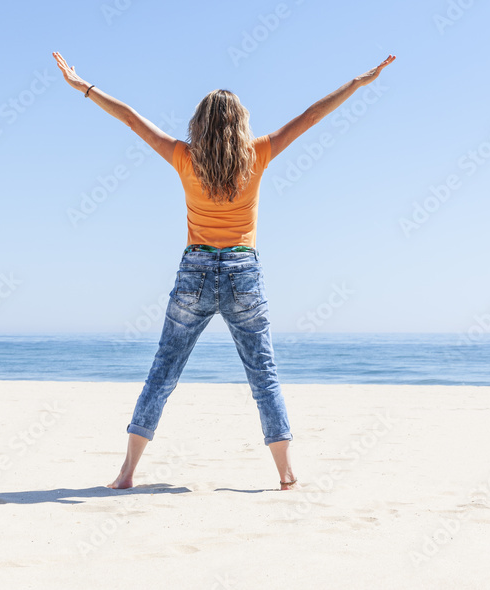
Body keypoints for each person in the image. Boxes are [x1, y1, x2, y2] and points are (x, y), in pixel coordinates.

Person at [53, 50, 395, 490]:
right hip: (242, 271)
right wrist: (355, 84)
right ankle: (286, 474)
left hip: (195, 270)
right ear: (240, 124)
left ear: (199, 123)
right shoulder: (258, 154)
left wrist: (84, 86)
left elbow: (133, 120)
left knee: (164, 369)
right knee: (263, 373)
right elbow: (311, 117)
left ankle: (127, 473)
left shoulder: (183, 157)